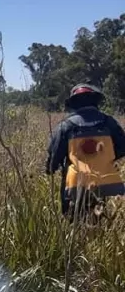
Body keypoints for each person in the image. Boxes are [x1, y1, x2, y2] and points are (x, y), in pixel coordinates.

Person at [45, 83, 125, 220]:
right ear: (95, 101)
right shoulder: (108, 122)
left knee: (71, 218)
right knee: (97, 217)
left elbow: (54, 155)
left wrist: (50, 169)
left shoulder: (66, 126)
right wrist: (106, 159)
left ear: (74, 104)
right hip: (101, 179)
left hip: (74, 181)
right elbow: (123, 147)